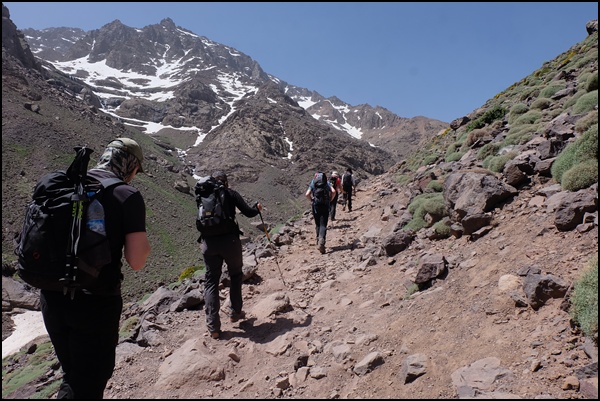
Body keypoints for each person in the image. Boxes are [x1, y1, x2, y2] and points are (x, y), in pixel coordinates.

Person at [40, 137, 151, 399]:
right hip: (95, 303)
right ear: (130, 165)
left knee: (74, 374)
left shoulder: (67, 184)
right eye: (135, 171)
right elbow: (137, 261)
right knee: (88, 381)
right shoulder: (126, 194)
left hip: (51, 296)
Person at [200, 171, 263, 340]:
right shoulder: (230, 193)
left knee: (211, 281)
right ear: (226, 182)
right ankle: (235, 312)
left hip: (208, 244)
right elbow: (249, 213)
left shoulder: (203, 195)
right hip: (230, 242)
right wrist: (257, 207)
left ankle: (213, 327)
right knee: (235, 275)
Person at [305, 171, 336, 254]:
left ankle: (318, 239)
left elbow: (307, 194)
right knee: (323, 224)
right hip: (325, 205)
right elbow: (333, 191)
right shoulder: (327, 183)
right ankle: (322, 240)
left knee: (317, 224)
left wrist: (311, 200)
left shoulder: (313, 183)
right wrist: (330, 199)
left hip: (316, 205)